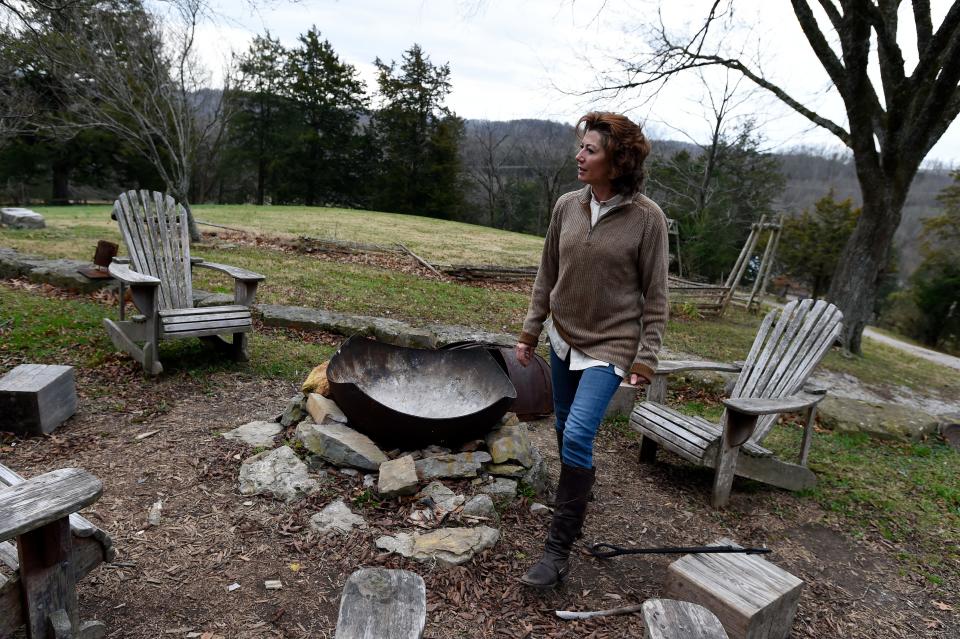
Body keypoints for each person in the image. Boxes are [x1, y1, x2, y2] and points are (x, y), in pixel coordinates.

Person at [515, 111, 669, 589]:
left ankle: (556, 553)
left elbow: (657, 295)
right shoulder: (567, 205)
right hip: (563, 335)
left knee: (579, 433)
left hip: (612, 344)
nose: (579, 156)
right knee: (563, 427)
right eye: (581, 147)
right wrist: (530, 332)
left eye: (591, 150)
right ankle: (577, 489)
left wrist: (646, 357)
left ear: (617, 161)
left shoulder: (647, 220)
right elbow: (547, 274)